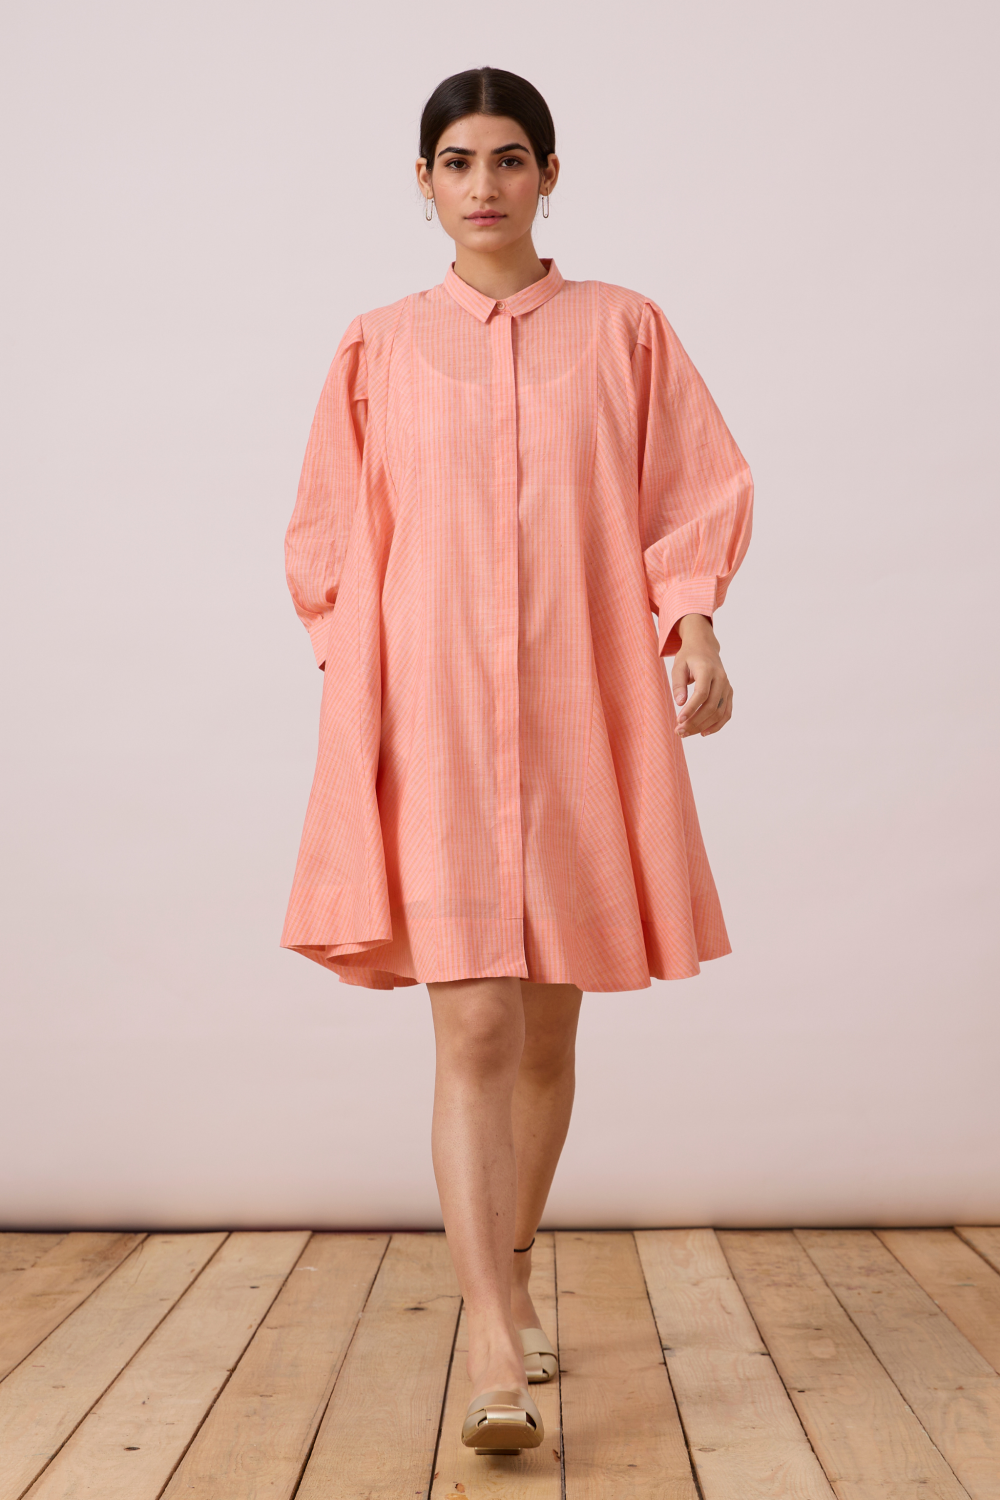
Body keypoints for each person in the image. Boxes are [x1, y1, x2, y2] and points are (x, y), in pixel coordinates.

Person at [280, 67, 753, 1457]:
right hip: (431, 718)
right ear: (422, 182)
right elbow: (325, 535)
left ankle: (517, 1262)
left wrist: (695, 622)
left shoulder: (626, 330)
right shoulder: (376, 347)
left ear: (549, 173)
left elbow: (691, 489)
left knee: (549, 1028)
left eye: (506, 158)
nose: (481, 184)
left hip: (579, 707)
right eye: (455, 160)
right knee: (475, 1024)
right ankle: (490, 1337)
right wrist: (360, 679)